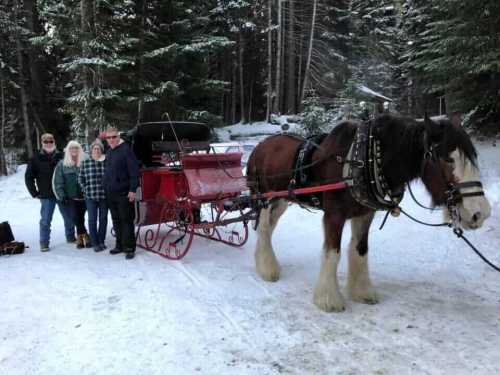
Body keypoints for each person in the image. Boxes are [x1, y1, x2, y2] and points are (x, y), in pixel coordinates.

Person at [25, 133, 75, 252]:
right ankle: (44, 242)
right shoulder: (35, 158)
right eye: (46, 142)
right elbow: (29, 177)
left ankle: (71, 236)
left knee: (69, 217)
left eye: (50, 141)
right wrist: (34, 192)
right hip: (46, 195)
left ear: (54, 142)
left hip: (62, 193)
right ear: (42, 143)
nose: (48, 143)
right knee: (46, 220)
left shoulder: (62, 156)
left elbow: (71, 173)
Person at [103, 126, 139, 260]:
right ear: (106, 139)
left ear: (118, 137)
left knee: (126, 220)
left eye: (114, 137)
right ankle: (119, 245)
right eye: (109, 137)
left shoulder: (126, 150)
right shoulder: (110, 152)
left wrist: (133, 189)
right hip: (111, 193)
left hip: (124, 192)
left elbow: (134, 171)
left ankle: (129, 247)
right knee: (116, 220)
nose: (112, 139)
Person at [52, 140, 91, 249]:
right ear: (68, 150)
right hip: (71, 197)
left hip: (85, 196)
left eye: (76, 148)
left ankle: (81, 235)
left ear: (79, 150)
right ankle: (83, 236)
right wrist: (62, 196)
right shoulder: (62, 164)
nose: (74, 150)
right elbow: (57, 182)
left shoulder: (85, 161)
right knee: (75, 217)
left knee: (81, 217)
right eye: (71, 148)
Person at [78, 139, 108, 252]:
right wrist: (85, 188)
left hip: (104, 196)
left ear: (101, 150)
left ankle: (101, 241)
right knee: (92, 219)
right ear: (91, 151)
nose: (97, 150)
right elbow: (80, 178)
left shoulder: (106, 162)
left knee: (103, 219)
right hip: (90, 196)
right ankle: (95, 242)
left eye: (99, 149)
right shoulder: (86, 163)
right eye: (95, 149)